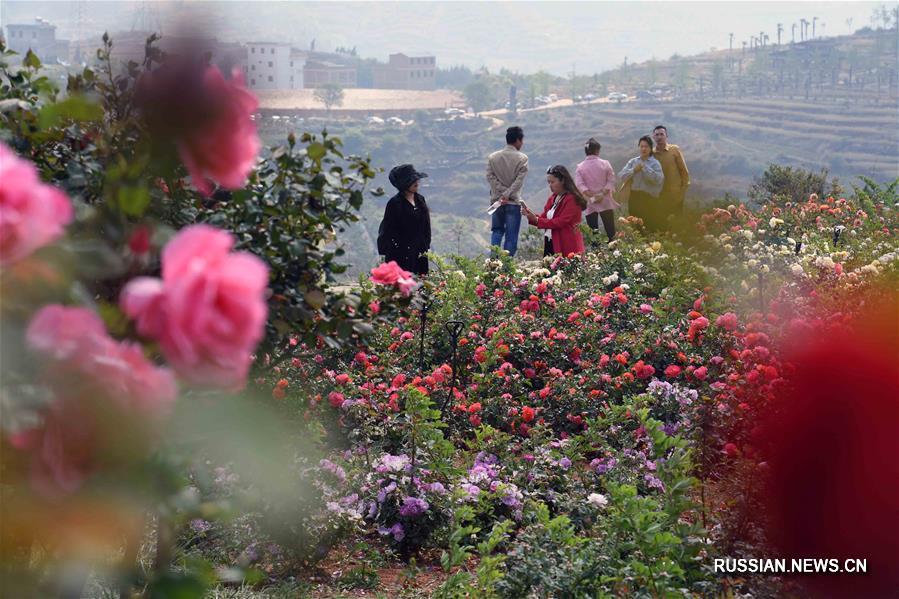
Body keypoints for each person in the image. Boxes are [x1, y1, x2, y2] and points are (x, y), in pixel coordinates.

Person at [521, 165, 587, 257]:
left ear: (563, 181)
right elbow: (544, 218)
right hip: (551, 241)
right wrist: (530, 215)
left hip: (566, 243)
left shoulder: (572, 199)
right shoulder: (553, 198)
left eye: (552, 182)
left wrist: (537, 220)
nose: (550, 185)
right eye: (549, 182)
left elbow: (561, 222)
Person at [377, 164, 431, 275]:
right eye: (412, 181)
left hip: (420, 252)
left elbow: (426, 226)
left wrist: (425, 245)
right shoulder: (395, 204)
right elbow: (388, 230)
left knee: (421, 285)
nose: (417, 183)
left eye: (417, 179)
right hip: (401, 255)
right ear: (404, 184)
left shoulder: (420, 200)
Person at [486, 126, 529, 256]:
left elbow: (490, 177)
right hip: (513, 203)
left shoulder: (493, 158)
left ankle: (492, 263)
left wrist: (502, 193)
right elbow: (519, 181)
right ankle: (506, 268)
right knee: (511, 237)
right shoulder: (522, 159)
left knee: (497, 232)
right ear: (517, 140)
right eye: (521, 140)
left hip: (497, 202)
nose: (522, 143)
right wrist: (508, 193)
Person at [575, 137, 618, 243]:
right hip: (605, 200)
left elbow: (579, 184)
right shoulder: (605, 163)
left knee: (594, 234)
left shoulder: (580, 167)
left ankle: (597, 255)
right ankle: (615, 253)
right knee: (611, 232)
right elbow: (611, 180)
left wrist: (591, 195)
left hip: (590, 202)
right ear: (598, 150)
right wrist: (602, 193)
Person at [618, 135, 664, 231]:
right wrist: (633, 170)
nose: (643, 149)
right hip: (634, 197)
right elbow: (621, 176)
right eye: (641, 146)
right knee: (635, 225)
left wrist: (645, 168)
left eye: (646, 146)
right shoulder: (633, 161)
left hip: (649, 198)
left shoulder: (655, 163)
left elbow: (658, 180)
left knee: (648, 225)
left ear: (651, 148)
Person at [651, 125, 690, 226]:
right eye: (657, 135)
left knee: (677, 223)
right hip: (659, 196)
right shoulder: (652, 154)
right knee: (662, 224)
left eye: (661, 134)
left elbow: (684, 171)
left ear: (666, 136)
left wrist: (683, 191)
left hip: (676, 195)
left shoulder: (674, 150)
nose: (659, 137)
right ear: (653, 137)